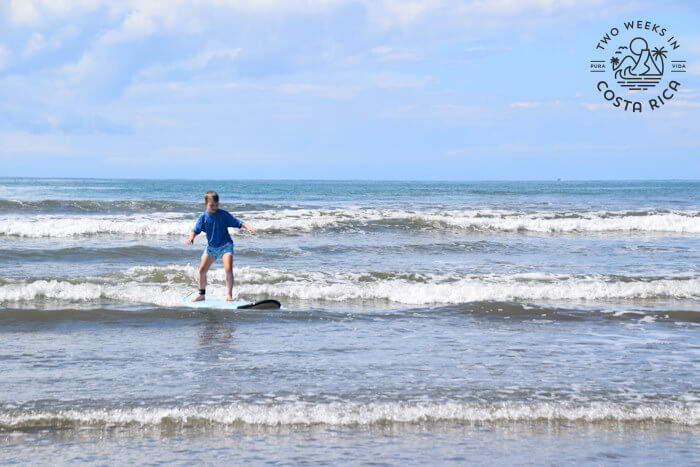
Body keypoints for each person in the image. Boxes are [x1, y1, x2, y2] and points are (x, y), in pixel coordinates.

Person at [185, 191, 257, 301]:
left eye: (217, 205)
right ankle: (201, 295)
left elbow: (238, 222)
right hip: (211, 247)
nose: (215, 207)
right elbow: (195, 230)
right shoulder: (203, 217)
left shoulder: (223, 214)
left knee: (228, 269)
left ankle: (229, 295)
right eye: (212, 205)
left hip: (225, 246)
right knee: (202, 271)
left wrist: (248, 227)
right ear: (205, 204)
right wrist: (191, 238)